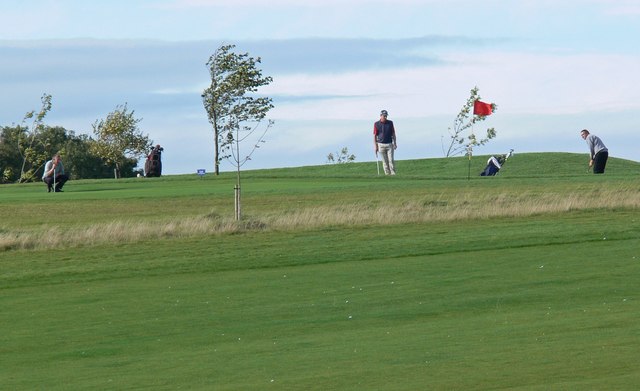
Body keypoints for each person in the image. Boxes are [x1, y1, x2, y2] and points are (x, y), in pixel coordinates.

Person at [373, 109, 397, 175]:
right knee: (385, 161)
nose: (385, 117)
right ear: (381, 116)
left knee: (391, 160)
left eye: (386, 116)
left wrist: (395, 143)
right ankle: (387, 174)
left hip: (389, 144)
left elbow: (393, 134)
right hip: (380, 145)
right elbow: (374, 136)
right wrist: (375, 146)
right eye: (384, 116)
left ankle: (393, 174)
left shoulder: (390, 123)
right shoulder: (376, 124)